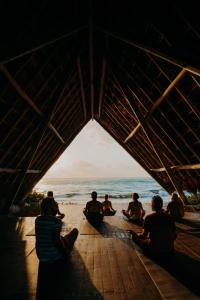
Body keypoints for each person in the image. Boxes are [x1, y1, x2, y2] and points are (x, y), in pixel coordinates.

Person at [35, 196, 78, 262]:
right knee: (75, 232)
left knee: (64, 237)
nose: (57, 207)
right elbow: (57, 241)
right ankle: (67, 251)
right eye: (55, 205)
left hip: (41, 256)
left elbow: (46, 235)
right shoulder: (56, 221)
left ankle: (65, 242)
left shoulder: (38, 220)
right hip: (54, 256)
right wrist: (65, 252)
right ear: (50, 208)